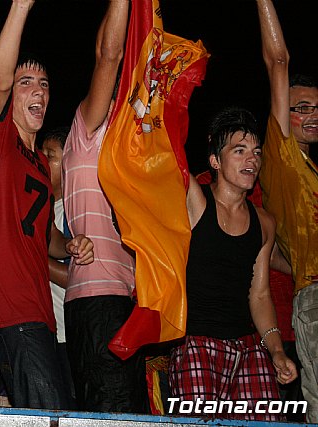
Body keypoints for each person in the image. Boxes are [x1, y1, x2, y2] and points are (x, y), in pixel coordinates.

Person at [0, 0, 94, 409]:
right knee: (49, 417)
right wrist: (21, 8)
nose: (38, 90)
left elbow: (47, 237)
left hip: (39, 312)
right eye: (26, 82)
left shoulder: (42, 163)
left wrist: (71, 245)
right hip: (10, 309)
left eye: (44, 84)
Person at [168, 107, 297, 421]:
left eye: (256, 152)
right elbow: (166, 154)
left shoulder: (264, 223)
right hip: (195, 344)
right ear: (215, 161)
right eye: (239, 151)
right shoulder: (195, 201)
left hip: (248, 348)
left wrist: (277, 351)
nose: (251, 159)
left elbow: (260, 295)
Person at [61, 0, 147, 413]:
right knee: (115, 415)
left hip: (124, 299)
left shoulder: (132, 143)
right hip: (98, 300)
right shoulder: (89, 128)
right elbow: (107, 55)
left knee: (128, 412)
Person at [256, 0, 318, 421]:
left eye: (316, 107)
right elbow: (278, 61)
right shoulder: (282, 158)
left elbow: (278, 249)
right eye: (302, 108)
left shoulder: (312, 172)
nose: (312, 115)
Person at [40, 127, 75, 407]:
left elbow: (79, 277)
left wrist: (29, 256)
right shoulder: (39, 206)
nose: (41, 159)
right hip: (44, 334)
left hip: (69, 334)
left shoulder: (76, 211)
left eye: (49, 155)